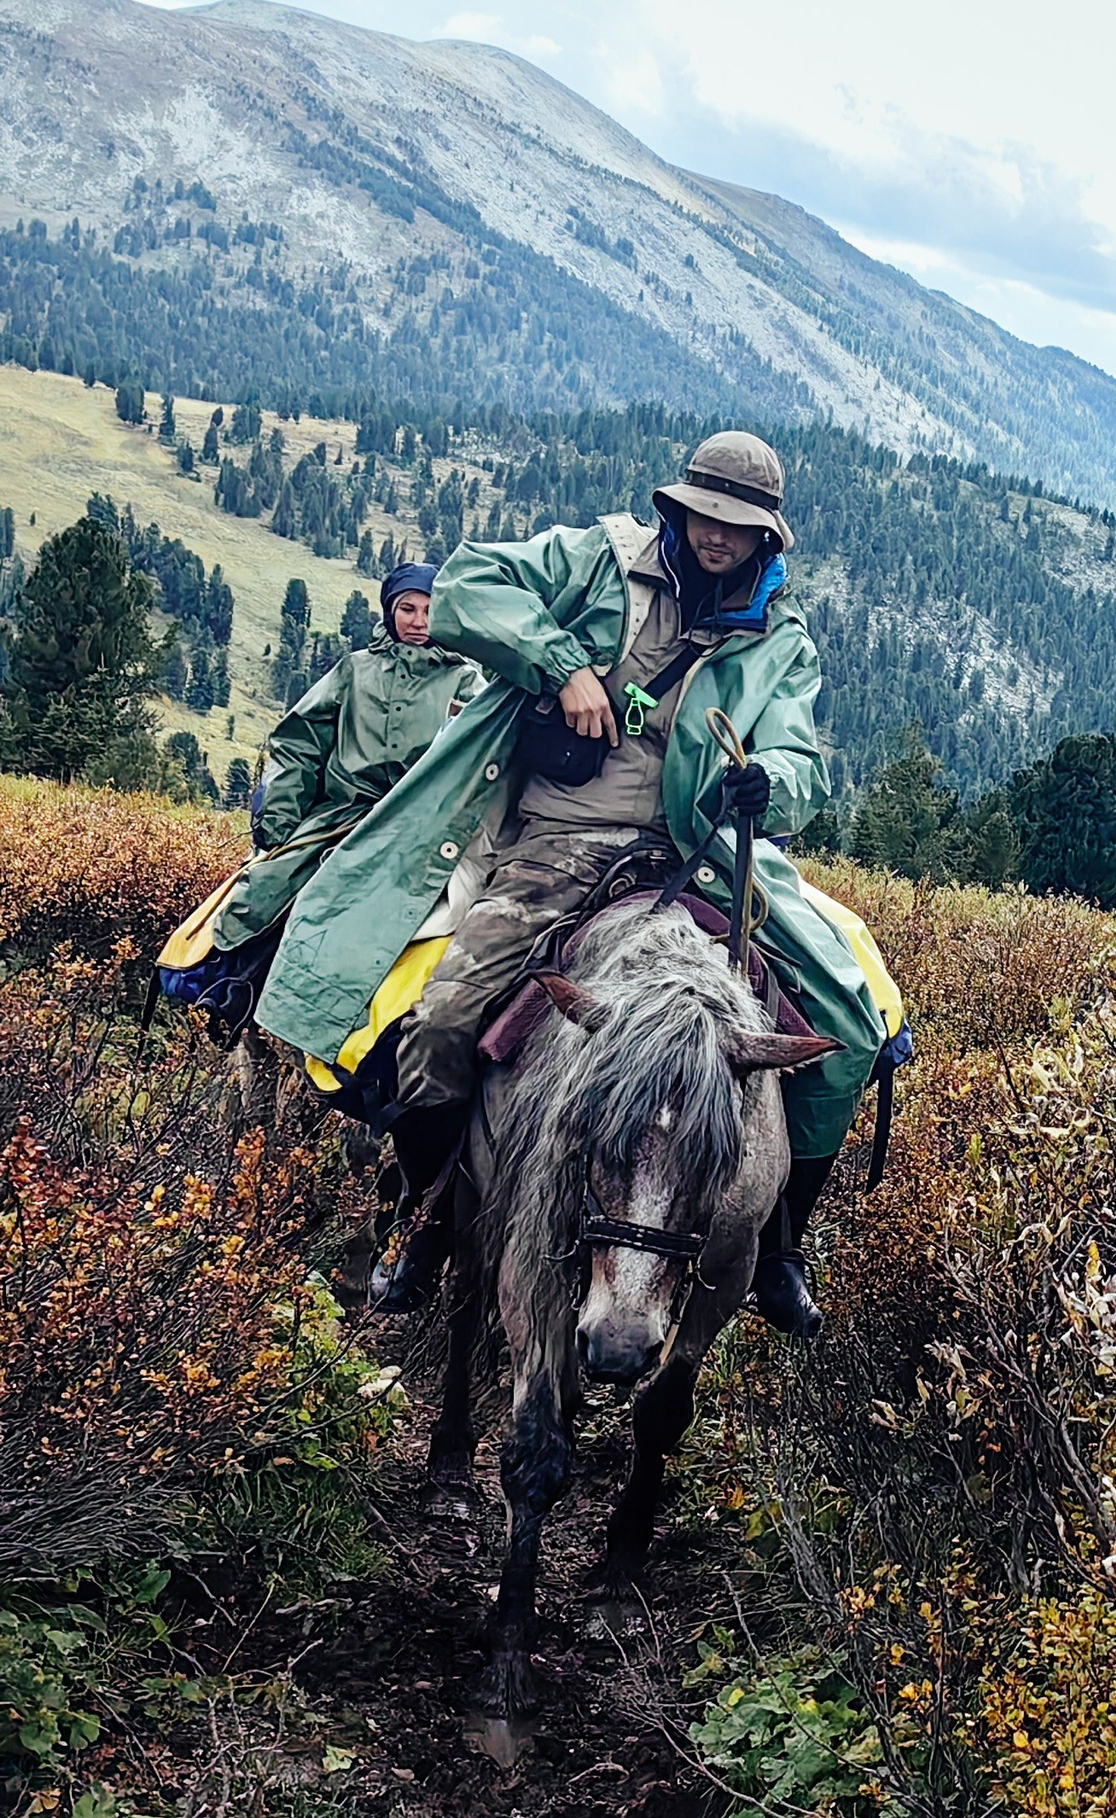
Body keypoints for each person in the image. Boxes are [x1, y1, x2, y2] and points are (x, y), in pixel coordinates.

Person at [253, 432, 889, 1339]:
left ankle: (781, 1246)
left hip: (696, 854)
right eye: (707, 515)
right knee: (440, 1024)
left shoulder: (780, 637)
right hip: (556, 839)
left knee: (849, 1025)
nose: (718, 537)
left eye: (739, 527)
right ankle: (430, 1221)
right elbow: (470, 586)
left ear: (765, 539)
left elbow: (798, 757)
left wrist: (769, 784)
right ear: (681, 507)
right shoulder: (596, 559)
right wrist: (564, 665)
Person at [211, 563, 483, 954]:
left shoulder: (465, 681)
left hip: (422, 827)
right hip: (340, 816)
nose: (420, 621)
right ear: (390, 610)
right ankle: (230, 991)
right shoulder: (354, 670)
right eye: (408, 609)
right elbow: (299, 746)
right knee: (261, 896)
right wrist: (279, 827)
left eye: (431, 609)